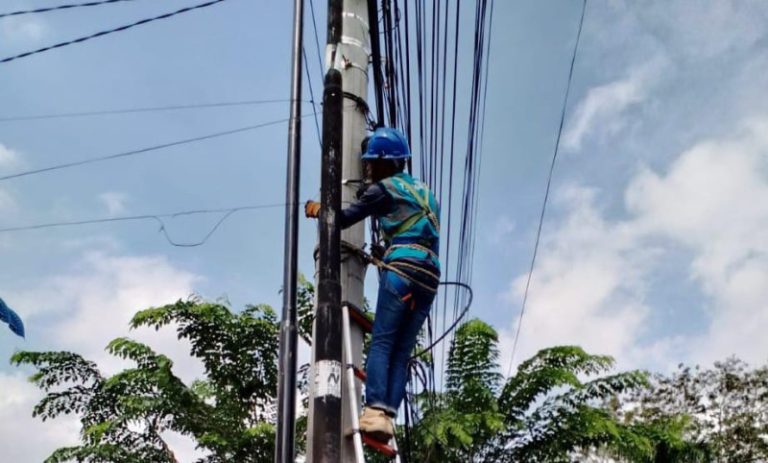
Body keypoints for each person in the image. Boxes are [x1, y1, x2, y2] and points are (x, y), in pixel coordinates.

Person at [305, 127, 440, 440]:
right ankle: (387, 416)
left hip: (402, 271)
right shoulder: (425, 193)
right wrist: (386, 251)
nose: (367, 169)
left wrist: (319, 210)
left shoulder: (383, 190)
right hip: (430, 276)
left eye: (370, 163)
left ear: (384, 162)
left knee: (382, 341)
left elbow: (342, 219)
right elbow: (417, 232)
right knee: (402, 350)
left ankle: (374, 410)